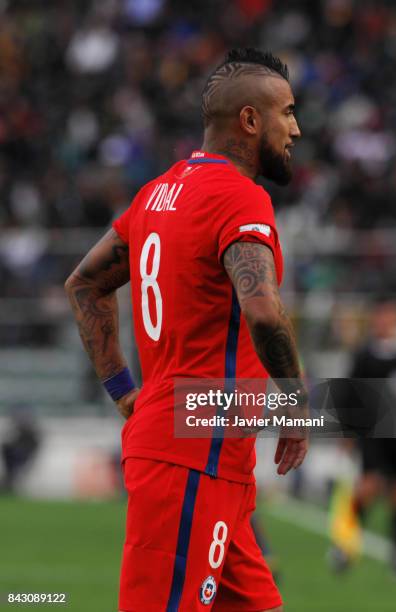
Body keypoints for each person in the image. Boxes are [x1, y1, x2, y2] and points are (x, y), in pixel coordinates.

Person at [65, 47, 307, 612]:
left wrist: (125, 392)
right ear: (250, 120)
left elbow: (84, 284)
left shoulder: (156, 193)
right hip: (194, 458)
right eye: (288, 112)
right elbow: (264, 310)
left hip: (212, 460)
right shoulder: (240, 197)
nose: (296, 128)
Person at [329, 298, 396, 576]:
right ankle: (345, 545)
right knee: (368, 486)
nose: (385, 321)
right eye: (381, 316)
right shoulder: (364, 355)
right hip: (371, 432)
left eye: (390, 317)